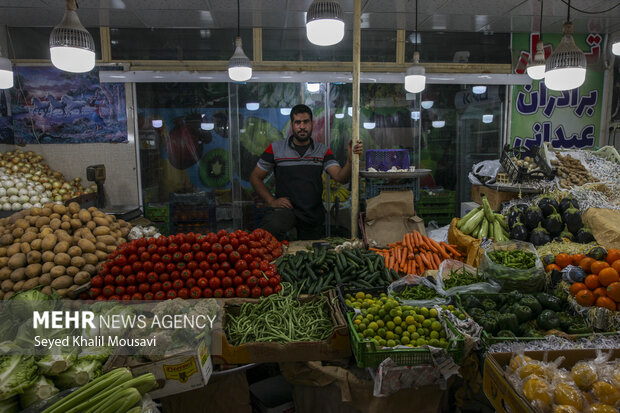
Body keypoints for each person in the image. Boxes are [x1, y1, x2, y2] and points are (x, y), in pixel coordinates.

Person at [250, 104, 363, 241]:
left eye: (306, 122)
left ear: (312, 124)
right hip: (286, 210)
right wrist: (271, 201)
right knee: (270, 229)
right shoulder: (275, 149)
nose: (302, 126)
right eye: (298, 122)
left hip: (313, 213)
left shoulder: (322, 151)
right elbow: (255, 177)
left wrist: (350, 161)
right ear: (292, 124)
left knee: (309, 254)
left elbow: (341, 177)